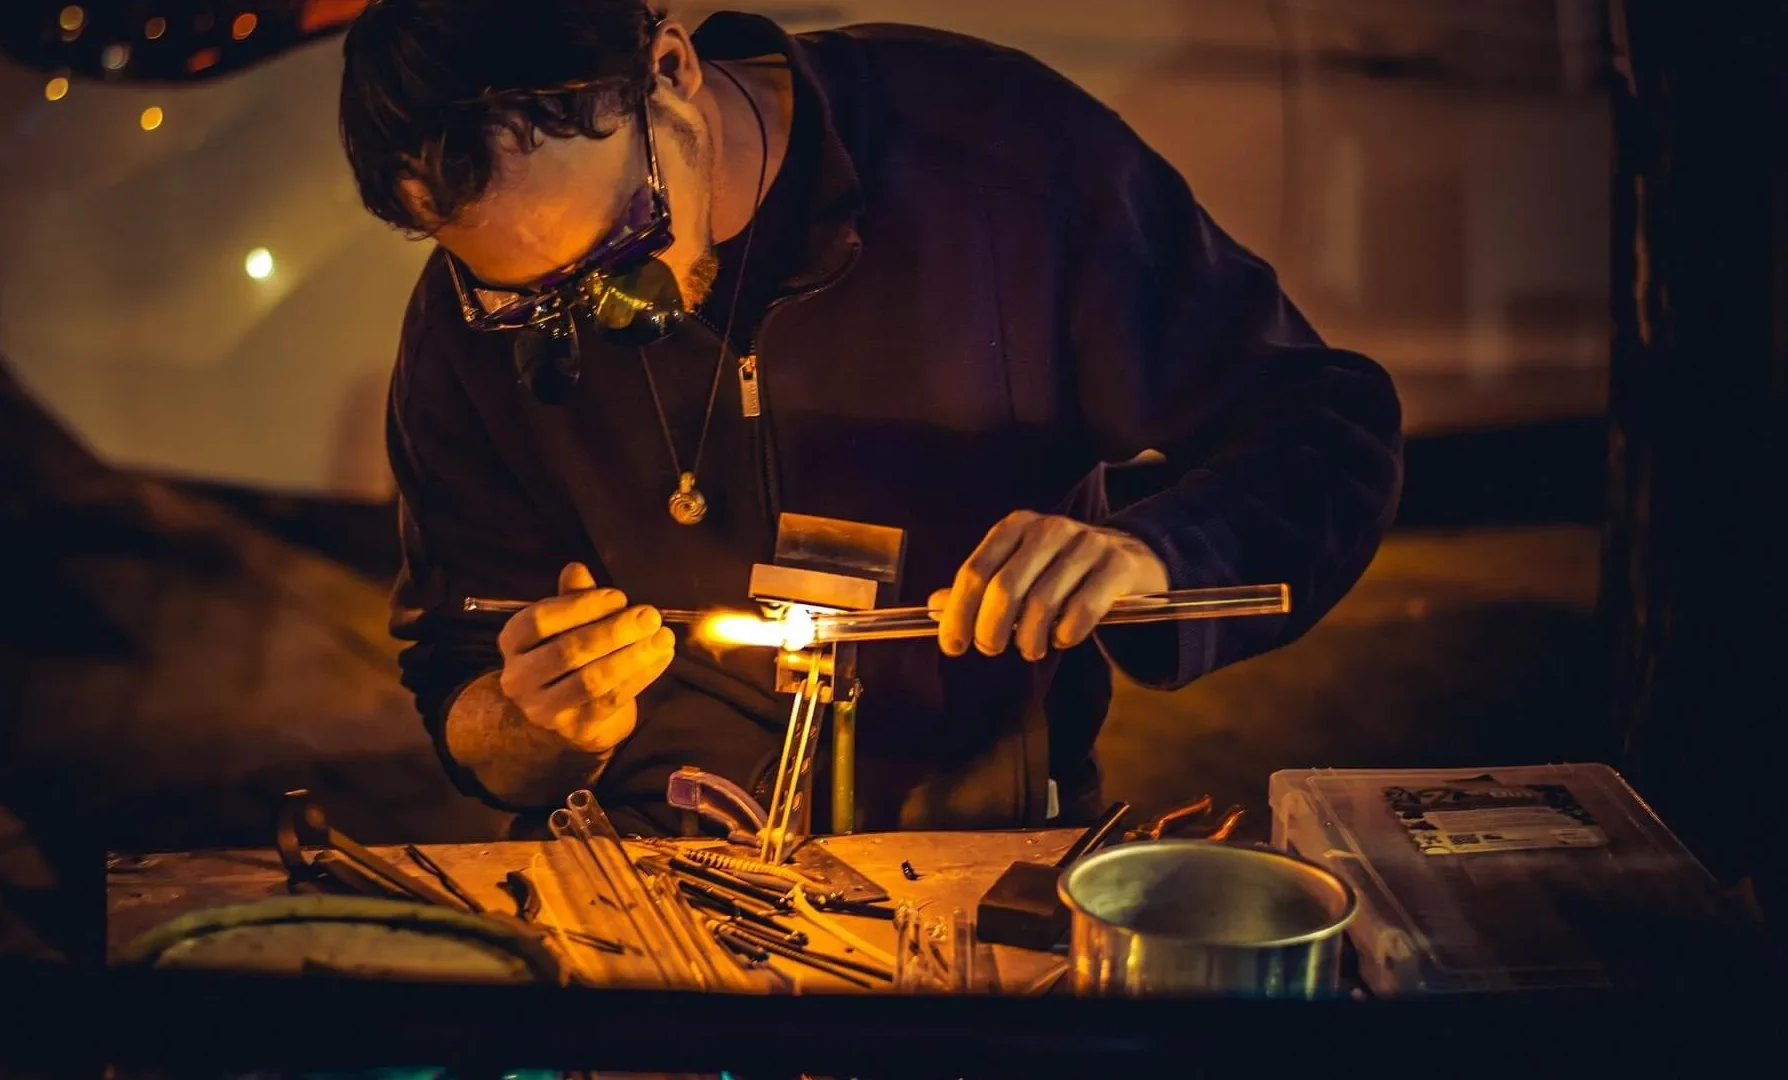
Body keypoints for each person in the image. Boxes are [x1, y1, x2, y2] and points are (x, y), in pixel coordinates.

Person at [336, 0, 1403, 836]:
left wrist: (1149, 555)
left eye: (624, 240)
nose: (607, 311)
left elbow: (1322, 428)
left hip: (975, 842)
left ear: (669, 73)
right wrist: (532, 722)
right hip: (649, 863)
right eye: (534, 298)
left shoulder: (996, 155)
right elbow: (461, 691)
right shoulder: (462, 332)